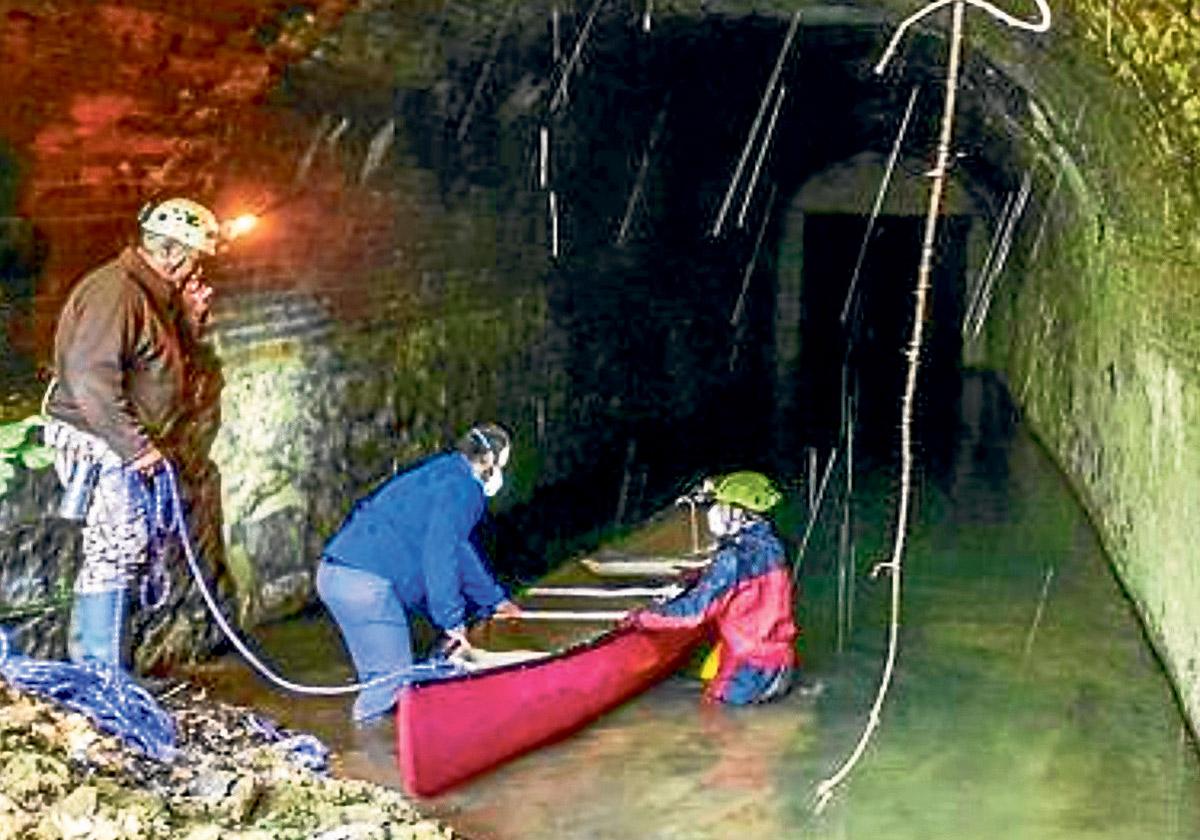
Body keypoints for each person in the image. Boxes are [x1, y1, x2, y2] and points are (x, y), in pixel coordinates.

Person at [43, 197, 221, 668]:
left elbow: (153, 362)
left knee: (128, 547)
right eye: (194, 260)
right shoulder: (115, 293)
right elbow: (88, 377)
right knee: (115, 550)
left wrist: (189, 317)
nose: (195, 269)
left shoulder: (150, 296)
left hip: (120, 440)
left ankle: (107, 671)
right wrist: (135, 448)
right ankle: (100, 677)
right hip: (98, 441)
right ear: (173, 254)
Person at [316, 423, 523, 724]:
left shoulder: (443, 471)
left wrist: (494, 601)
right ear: (490, 461)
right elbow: (440, 554)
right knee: (391, 685)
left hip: (337, 574)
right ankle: (369, 758)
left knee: (383, 677)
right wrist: (451, 620)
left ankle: (369, 746)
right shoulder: (464, 489)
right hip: (366, 584)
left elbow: (458, 548)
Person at [626, 470, 798, 705]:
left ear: (739, 512)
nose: (715, 512)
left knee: (713, 725)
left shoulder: (731, 559)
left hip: (746, 673)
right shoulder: (775, 546)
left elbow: (694, 614)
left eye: (721, 505)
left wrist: (643, 617)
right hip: (781, 667)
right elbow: (750, 589)